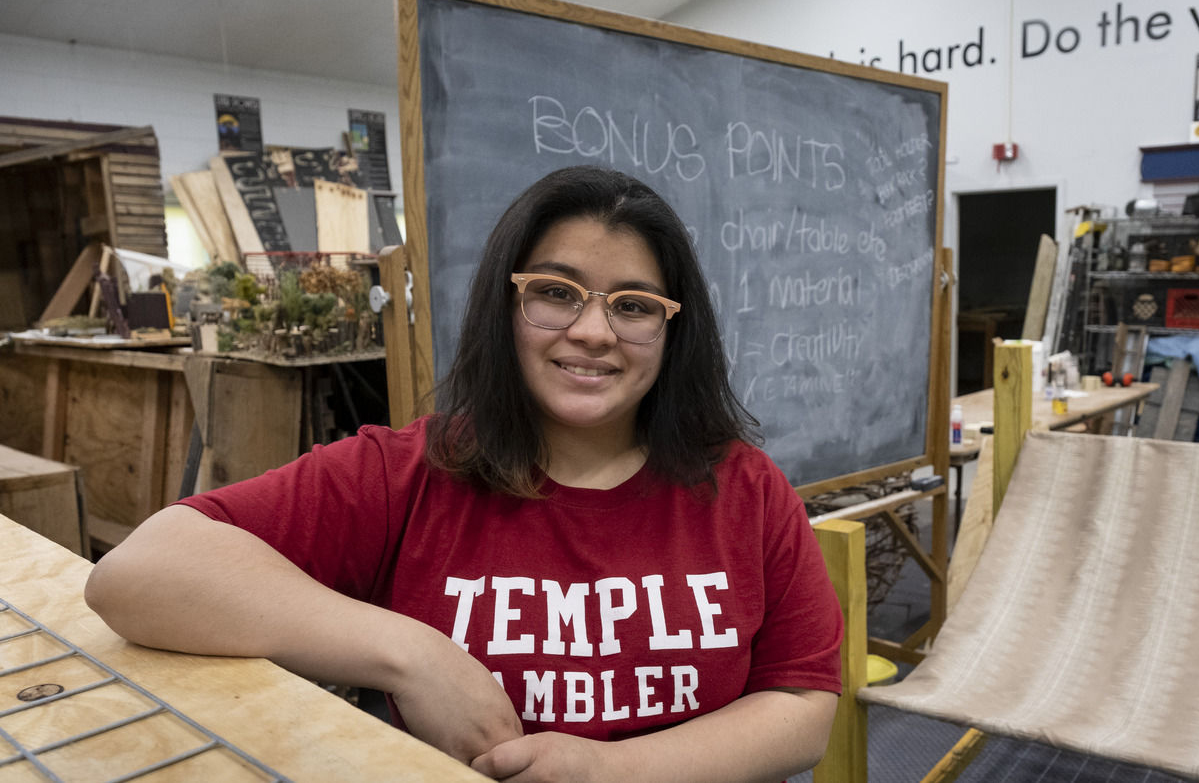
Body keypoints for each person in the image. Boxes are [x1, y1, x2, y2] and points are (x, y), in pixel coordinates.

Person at [86, 166, 844, 781]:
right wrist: (414, 655)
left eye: (634, 305)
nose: (591, 330)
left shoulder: (743, 488)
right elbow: (138, 573)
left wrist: (613, 769)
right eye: (554, 292)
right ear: (504, 305)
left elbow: (802, 707)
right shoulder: (407, 473)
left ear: (672, 330)